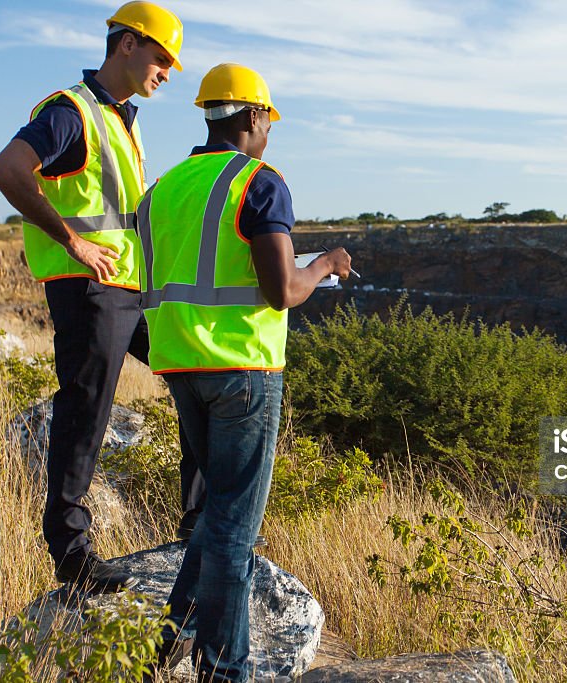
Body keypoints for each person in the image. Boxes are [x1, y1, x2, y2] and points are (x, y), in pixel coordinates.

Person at [136, 62, 351, 682]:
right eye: (268, 122)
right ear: (254, 117)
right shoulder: (260, 182)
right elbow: (281, 289)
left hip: (180, 365)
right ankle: (225, 672)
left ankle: (161, 649)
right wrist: (325, 265)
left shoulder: (165, 188)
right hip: (244, 370)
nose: (268, 134)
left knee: (214, 517)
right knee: (233, 528)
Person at [0, 1, 199, 593]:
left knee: (196, 371)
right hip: (90, 289)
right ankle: (71, 552)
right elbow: (6, 170)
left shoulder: (123, 119)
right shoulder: (70, 111)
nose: (166, 71)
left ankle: (200, 522)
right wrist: (72, 242)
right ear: (126, 45)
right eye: (161, 58)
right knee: (86, 408)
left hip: (130, 287)